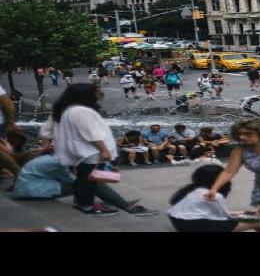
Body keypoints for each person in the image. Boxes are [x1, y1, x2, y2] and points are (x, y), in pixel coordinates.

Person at [41, 84, 121, 216]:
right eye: (97, 91)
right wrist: (104, 150)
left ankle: (81, 203)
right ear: (86, 94)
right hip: (89, 151)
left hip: (78, 151)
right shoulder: (82, 111)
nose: (100, 93)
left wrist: (45, 145)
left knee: (82, 177)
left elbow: (46, 130)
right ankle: (87, 205)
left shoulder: (63, 109)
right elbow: (91, 133)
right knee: (88, 180)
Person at [13, 154, 158, 216]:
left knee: (88, 181)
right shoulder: (60, 163)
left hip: (29, 187)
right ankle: (126, 207)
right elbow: (69, 180)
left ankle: (115, 200)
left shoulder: (57, 157)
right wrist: (88, 177)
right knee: (90, 181)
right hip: (33, 190)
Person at [168, 165, 260, 232]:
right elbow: (224, 217)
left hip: (179, 222)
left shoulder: (191, 189)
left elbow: (212, 213)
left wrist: (247, 212)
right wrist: (256, 217)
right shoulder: (213, 195)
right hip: (196, 226)